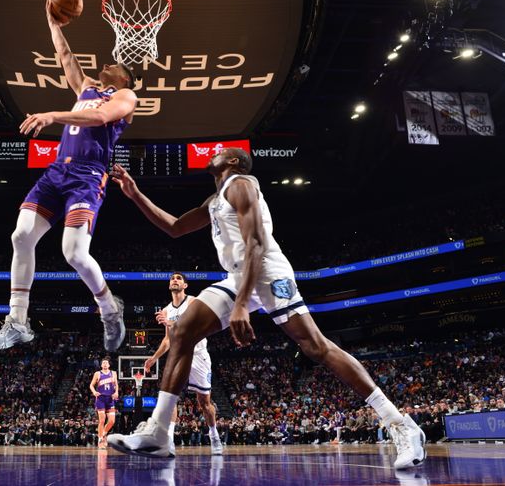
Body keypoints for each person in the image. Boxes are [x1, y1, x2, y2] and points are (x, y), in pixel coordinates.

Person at [107, 150, 426, 469]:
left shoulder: (241, 184)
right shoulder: (216, 198)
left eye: (221, 153)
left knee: (315, 346)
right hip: (238, 274)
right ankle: (160, 435)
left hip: (267, 271)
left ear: (233, 162)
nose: (213, 153)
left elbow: (256, 242)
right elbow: (175, 226)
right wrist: (135, 194)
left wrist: (242, 304)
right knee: (184, 329)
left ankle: (401, 425)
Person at [0, 0, 137, 354]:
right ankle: (17, 322)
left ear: (124, 77)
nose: (106, 63)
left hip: (87, 175)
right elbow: (67, 58)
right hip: (56, 172)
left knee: (74, 253)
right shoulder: (86, 90)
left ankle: (110, 310)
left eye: (113, 63)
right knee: (21, 235)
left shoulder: (126, 96)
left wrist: (53, 114)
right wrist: (53, 25)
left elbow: (99, 119)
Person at [143, 272, 223, 455]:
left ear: (185, 285)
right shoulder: (165, 310)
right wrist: (154, 358)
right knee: (170, 399)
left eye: (178, 278)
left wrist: (171, 322)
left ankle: (214, 434)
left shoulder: (194, 302)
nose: (174, 280)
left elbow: (194, 326)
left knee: (205, 404)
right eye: (172, 278)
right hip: (178, 355)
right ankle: (169, 442)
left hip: (198, 355)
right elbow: (167, 340)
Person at [89, 358, 119, 449]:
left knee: (112, 421)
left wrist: (116, 392)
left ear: (109, 365)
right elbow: (91, 385)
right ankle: (100, 439)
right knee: (102, 420)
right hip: (101, 399)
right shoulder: (98, 373)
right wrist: (94, 392)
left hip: (110, 398)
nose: (105, 364)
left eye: (106, 363)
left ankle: (103, 433)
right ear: (101, 365)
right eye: (103, 363)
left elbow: (116, 384)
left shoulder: (113, 373)